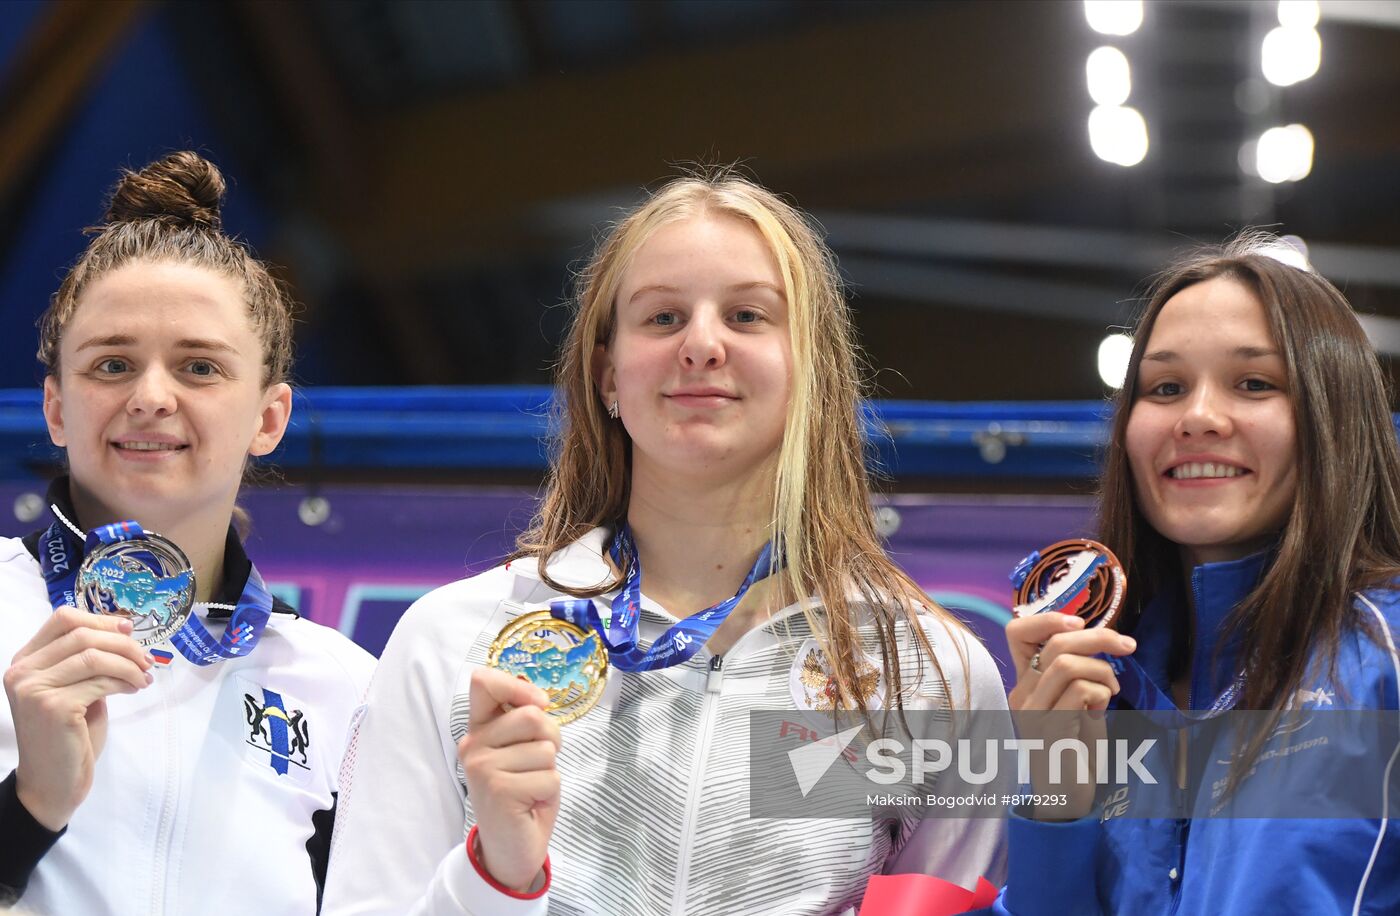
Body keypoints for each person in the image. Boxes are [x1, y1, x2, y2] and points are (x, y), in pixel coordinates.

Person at [322, 171, 1008, 914]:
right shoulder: (455, 642)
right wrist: (495, 878)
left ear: (810, 369)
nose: (702, 345)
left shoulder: (926, 676)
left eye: (747, 316)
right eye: (661, 318)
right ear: (606, 374)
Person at [0, 151, 375, 914]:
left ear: (269, 418)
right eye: (111, 364)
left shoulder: (345, 689)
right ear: (57, 407)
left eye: (199, 368)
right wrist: (29, 805)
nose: (150, 397)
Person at [996, 236, 1400, 915]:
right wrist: (1056, 797)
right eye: (1165, 387)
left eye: (1254, 384)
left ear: (1335, 419)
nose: (1198, 417)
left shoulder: (1383, 658)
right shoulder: (1105, 679)